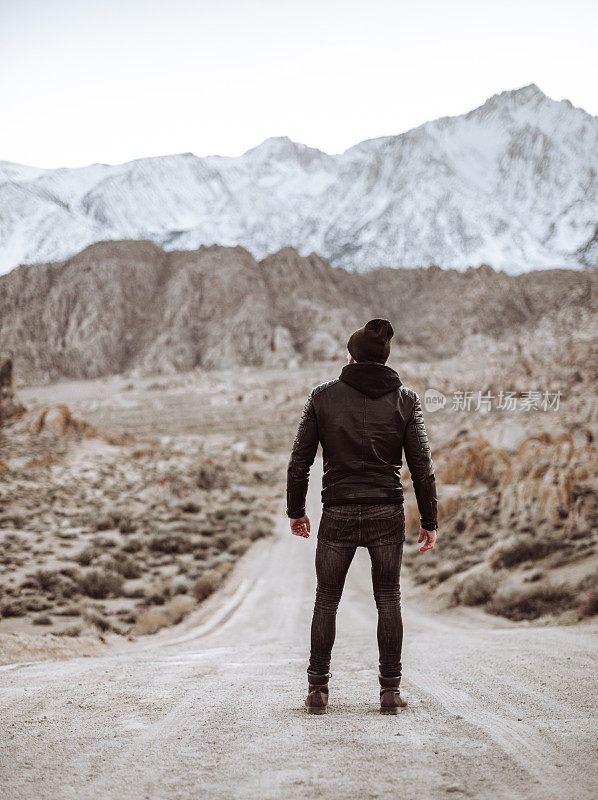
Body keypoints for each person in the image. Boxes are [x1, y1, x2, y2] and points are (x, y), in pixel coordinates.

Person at [286, 318, 438, 715]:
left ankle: (317, 689)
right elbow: (422, 466)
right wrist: (429, 519)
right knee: (388, 598)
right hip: (386, 510)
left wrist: (296, 511)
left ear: (351, 356)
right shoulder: (406, 399)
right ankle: (390, 692)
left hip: (336, 510)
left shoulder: (322, 396)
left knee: (326, 599)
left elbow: (299, 460)